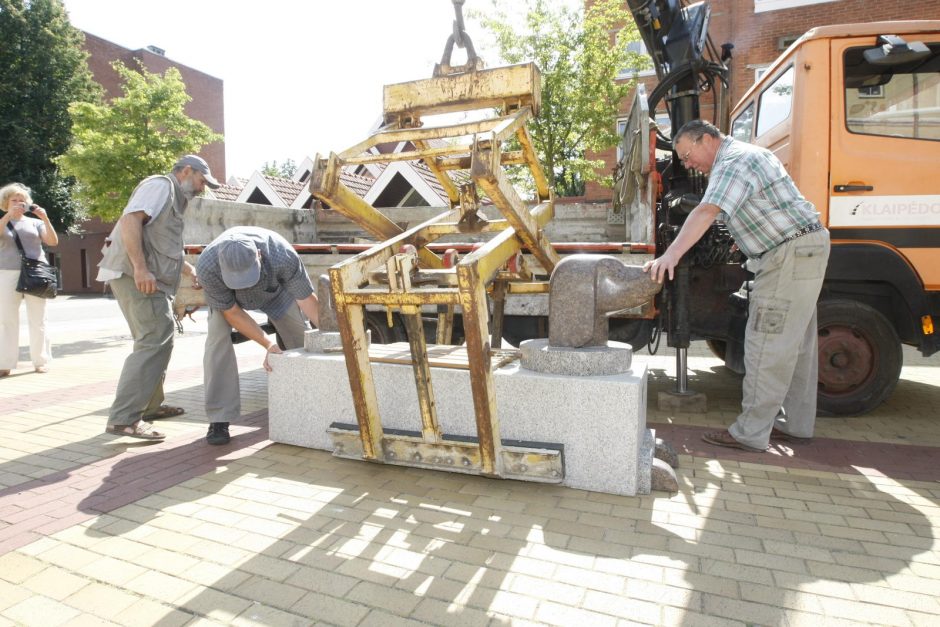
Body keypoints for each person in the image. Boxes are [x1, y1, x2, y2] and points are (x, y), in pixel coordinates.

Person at [644, 120, 830, 452]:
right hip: (804, 249)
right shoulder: (748, 155)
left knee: (765, 346)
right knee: (797, 346)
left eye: (686, 155)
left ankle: (750, 432)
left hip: (785, 256)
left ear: (706, 140)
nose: (687, 164)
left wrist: (670, 255)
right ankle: (796, 425)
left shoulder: (732, 162)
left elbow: (706, 212)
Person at [98, 155, 220, 440]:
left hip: (150, 279)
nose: (203, 188)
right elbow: (131, 221)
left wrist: (188, 269)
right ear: (187, 171)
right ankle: (124, 419)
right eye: (202, 181)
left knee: (158, 340)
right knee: (154, 340)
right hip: (136, 276)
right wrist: (141, 269)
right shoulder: (160, 186)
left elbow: (162, 240)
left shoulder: (174, 197)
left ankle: (150, 407)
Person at [196, 226, 320, 445]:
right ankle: (219, 418)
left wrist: (334, 336)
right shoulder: (207, 265)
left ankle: (312, 403)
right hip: (229, 303)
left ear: (259, 255)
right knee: (217, 344)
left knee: (301, 341)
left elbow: (307, 300)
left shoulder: (281, 253)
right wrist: (268, 344)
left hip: (276, 294)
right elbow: (232, 313)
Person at [0, 183, 59, 377]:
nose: (19, 203)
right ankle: (5, 363)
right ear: (6, 203)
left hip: (35, 272)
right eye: (14, 200)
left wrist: (45, 218)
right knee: (7, 319)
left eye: (22, 200)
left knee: (38, 318)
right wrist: (9, 216)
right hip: (7, 272)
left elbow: (52, 241)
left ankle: (41, 361)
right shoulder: (3, 221)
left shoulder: (35, 222)